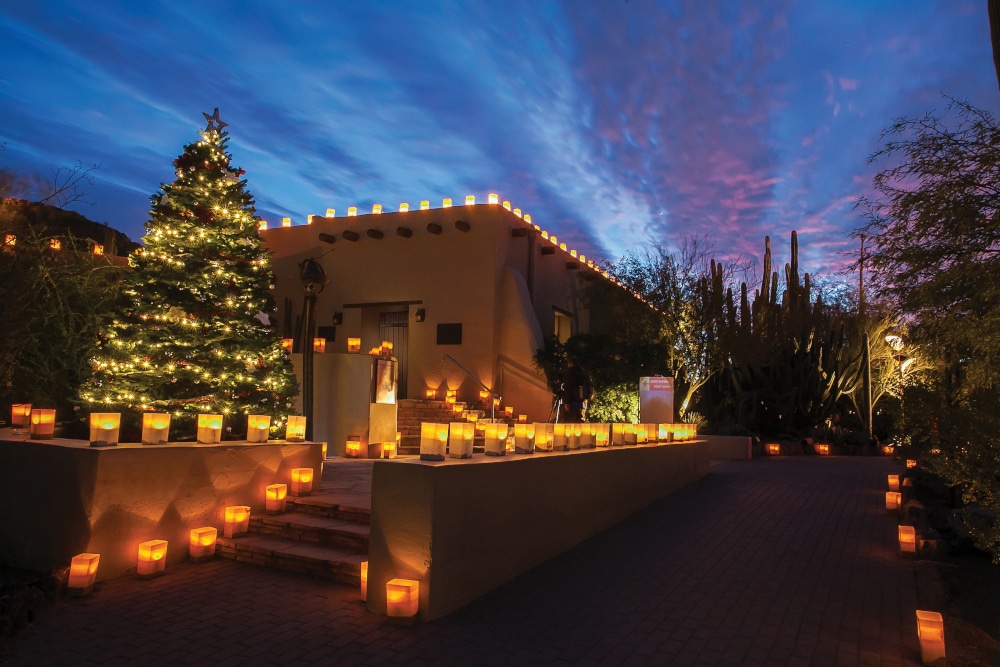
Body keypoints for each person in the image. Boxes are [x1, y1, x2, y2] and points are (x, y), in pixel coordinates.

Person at [560, 356, 592, 423]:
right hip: (582, 403)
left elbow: (568, 388)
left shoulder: (571, 373)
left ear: (571, 363)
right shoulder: (583, 373)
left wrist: (567, 402)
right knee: (579, 422)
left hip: (572, 403)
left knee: (569, 424)